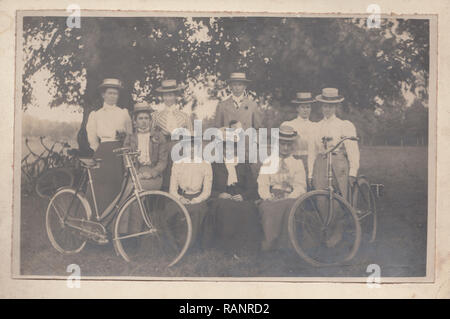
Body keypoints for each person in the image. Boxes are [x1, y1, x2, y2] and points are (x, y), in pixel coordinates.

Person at [207, 125, 263, 256]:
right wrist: (219, 194)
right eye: (226, 146)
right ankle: (227, 248)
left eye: (232, 146)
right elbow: (209, 187)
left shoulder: (243, 164)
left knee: (247, 209)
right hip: (222, 196)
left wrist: (243, 196)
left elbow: (253, 187)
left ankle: (246, 247)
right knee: (225, 208)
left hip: (240, 195)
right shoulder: (215, 164)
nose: (229, 149)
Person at [117, 102, 170, 235]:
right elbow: (126, 158)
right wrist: (135, 173)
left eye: (146, 118)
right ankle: (125, 233)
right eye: (140, 118)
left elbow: (163, 161)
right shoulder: (130, 138)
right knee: (129, 192)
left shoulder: (159, 137)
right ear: (135, 121)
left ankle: (130, 233)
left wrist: (151, 173)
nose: (143, 121)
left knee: (134, 192)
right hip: (135, 174)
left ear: (151, 120)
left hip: (154, 177)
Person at [86, 78, 132, 214]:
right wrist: (99, 149)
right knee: (99, 186)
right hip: (103, 151)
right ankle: (97, 218)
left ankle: (114, 221)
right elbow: (92, 137)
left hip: (119, 152)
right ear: (103, 95)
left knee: (116, 184)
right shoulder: (96, 115)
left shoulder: (124, 113)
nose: (113, 96)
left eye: (115, 93)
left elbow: (130, 135)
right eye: (110, 93)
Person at [257, 125, 307, 251]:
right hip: (272, 197)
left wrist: (289, 197)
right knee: (268, 209)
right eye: (282, 144)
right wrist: (267, 196)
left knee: (290, 208)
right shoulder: (268, 161)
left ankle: (288, 246)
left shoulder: (297, 163)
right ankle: (270, 245)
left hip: (290, 197)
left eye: (289, 145)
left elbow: (301, 186)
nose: (285, 148)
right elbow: (262, 183)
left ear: (293, 146)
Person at [309, 88, 360, 201]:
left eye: (331, 106)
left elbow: (353, 151)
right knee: (320, 197)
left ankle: (343, 215)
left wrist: (353, 172)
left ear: (336, 107)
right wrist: (310, 174)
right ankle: (326, 218)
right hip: (321, 164)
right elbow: (312, 152)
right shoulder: (316, 127)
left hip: (339, 164)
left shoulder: (344, 125)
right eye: (325, 106)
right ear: (321, 107)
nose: (327, 109)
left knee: (340, 196)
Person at [169, 135, 213, 250]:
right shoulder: (177, 164)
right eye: (189, 146)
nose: (192, 149)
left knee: (196, 211)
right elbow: (172, 189)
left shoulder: (206, 165)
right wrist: (180, 198)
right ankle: (175, 245)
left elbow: (207, 191)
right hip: (182, 195)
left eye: (195, 146)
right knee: (172, 210)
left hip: (198, 196)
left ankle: (188, 246)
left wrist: (196, 200)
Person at [151, 79, 193, 190]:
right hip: (162, 150)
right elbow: (152, 136)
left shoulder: (184, 116)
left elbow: (190, 136)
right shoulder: (156, 116)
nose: (168, 98)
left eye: (170, 95)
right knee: (164, 177)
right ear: (162, 97)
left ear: (175, 96)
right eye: (165, 95)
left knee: (179, 176)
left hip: (179, 149)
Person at [281, 92, 317, 187]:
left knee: (310, 188)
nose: (305, 110)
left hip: (311, 162)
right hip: (294, 160)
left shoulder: (315, 126)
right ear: (297, 108)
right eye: (302, 107)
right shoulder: (289, 125)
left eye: (308, 107)